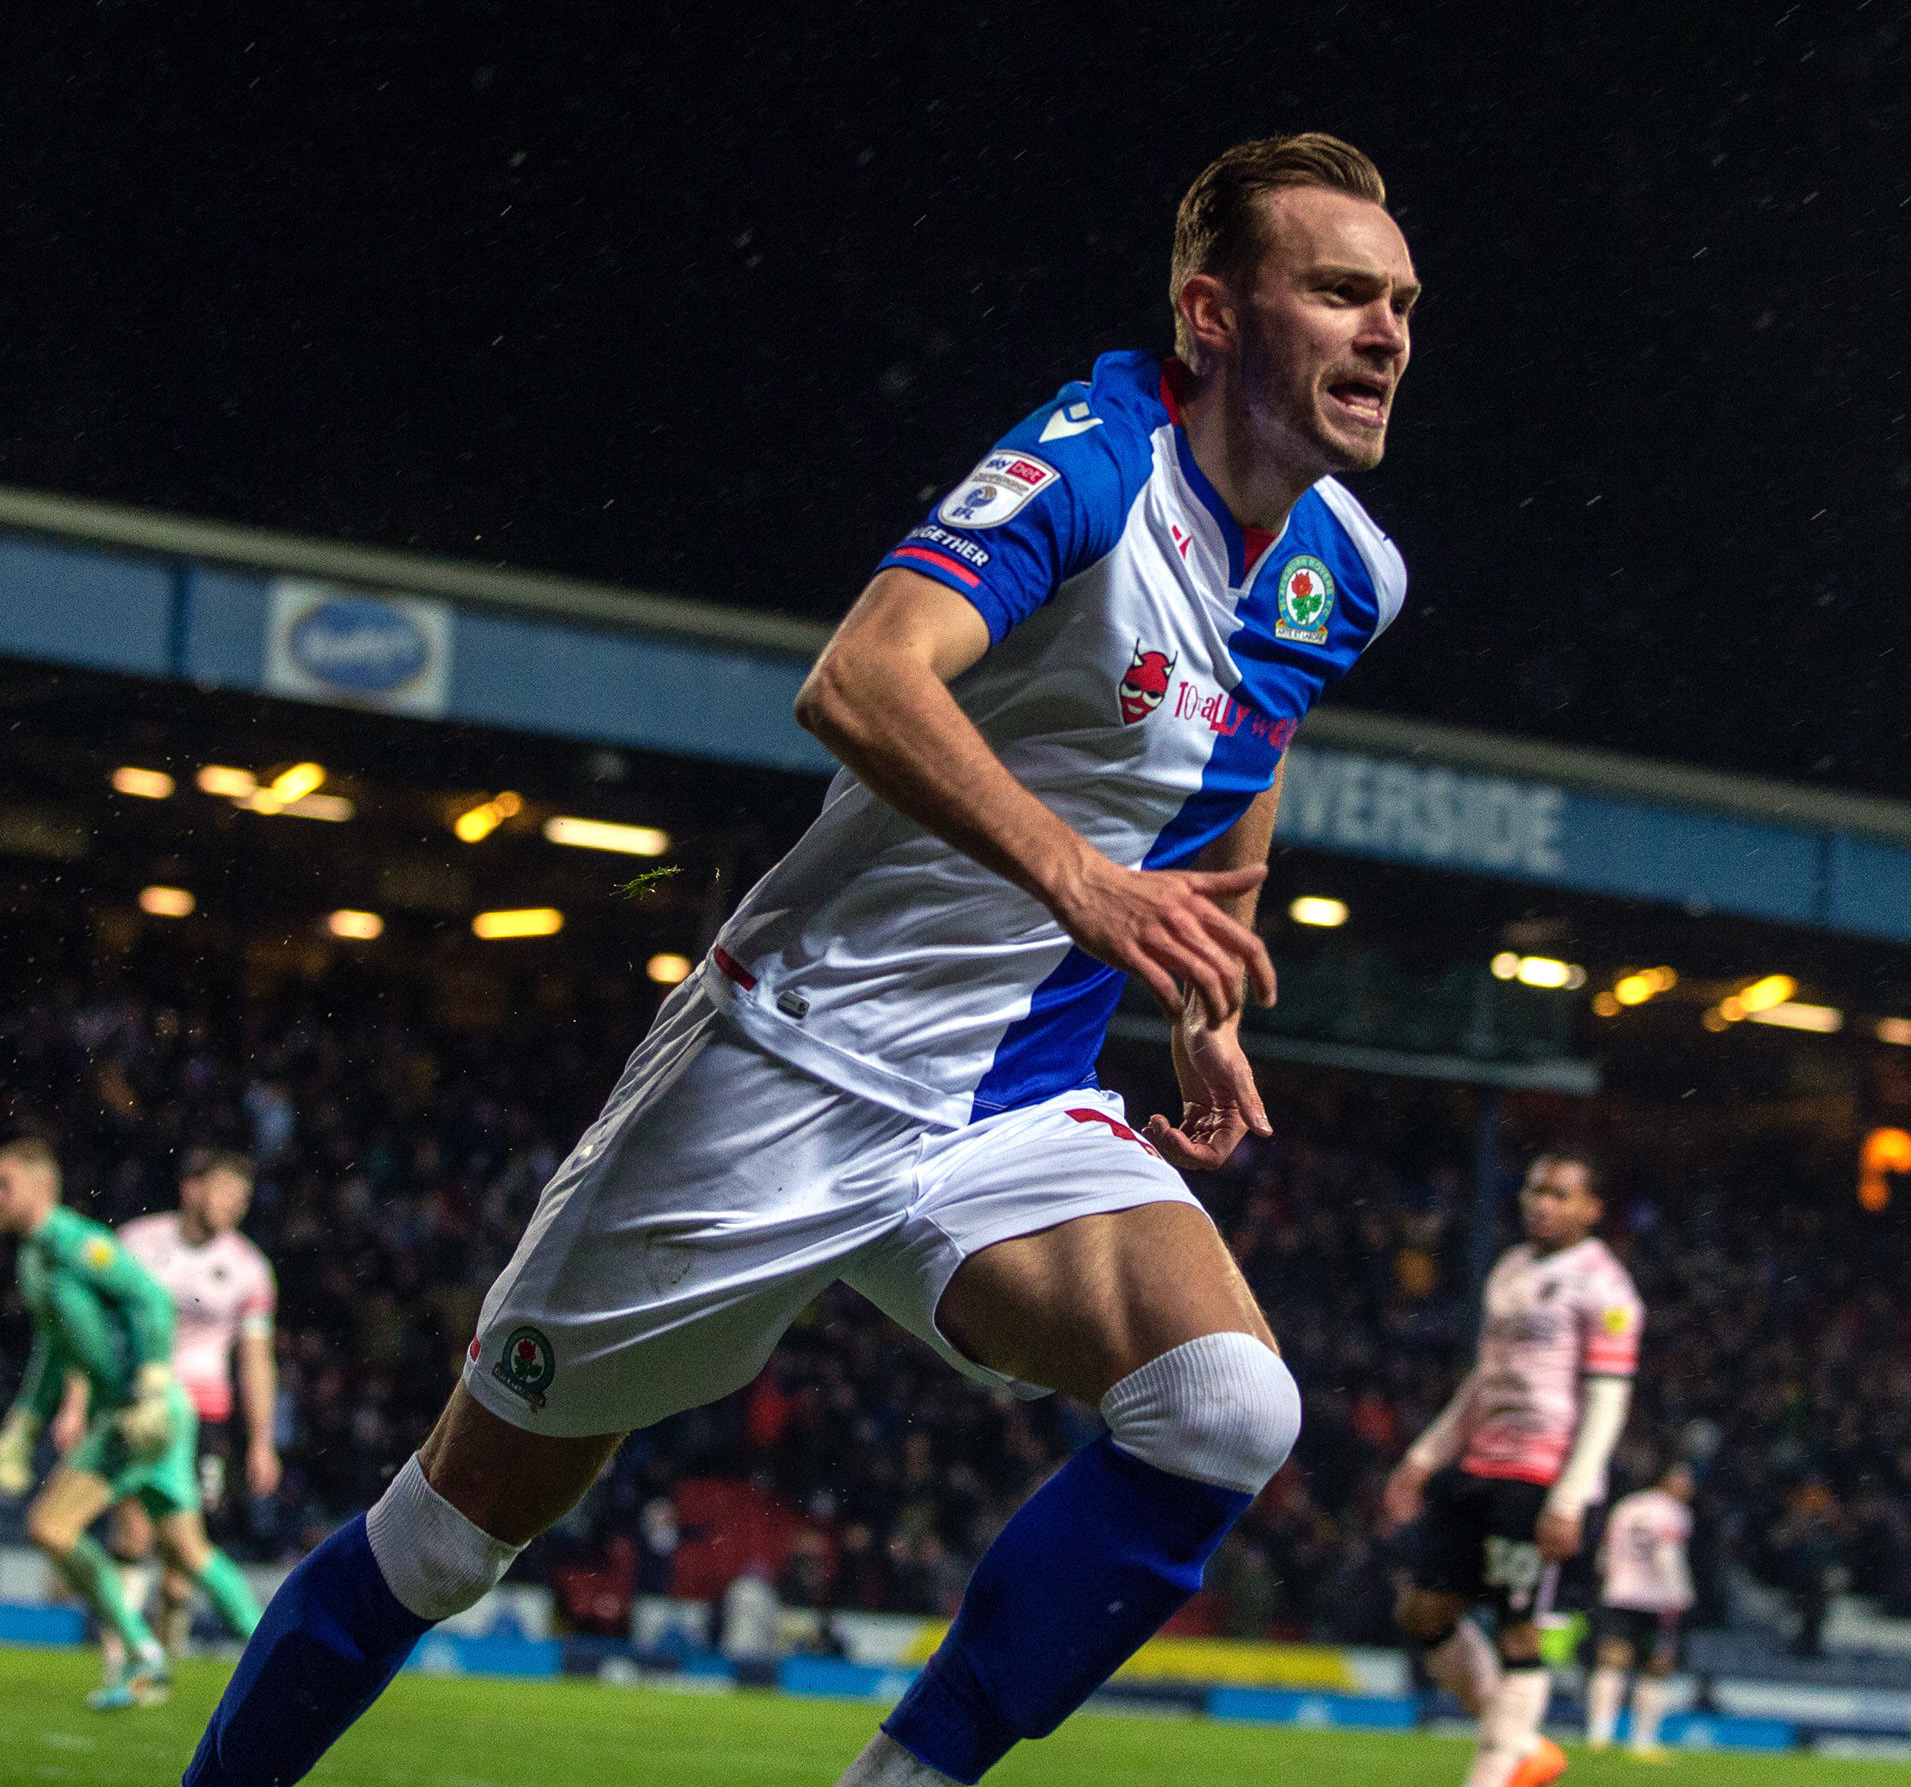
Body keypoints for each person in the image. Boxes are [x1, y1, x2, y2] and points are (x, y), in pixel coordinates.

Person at [187, 129, 1417, 1787]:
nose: (1385, 329)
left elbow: (1257, 716)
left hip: (1006, 1104)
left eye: (1400, 300)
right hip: (784, 1066)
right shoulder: (1090, 466)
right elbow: (859, 676)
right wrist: (1083, 882)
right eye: (1338, 290)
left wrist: (1212, 959)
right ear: (1210, 312)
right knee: (443, 1538)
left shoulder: (1347, 566)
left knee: (1224, 1408)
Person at [1383, 1150, 1642, 1787]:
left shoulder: (1606, 1288)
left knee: (1518, 1628)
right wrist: (1425, 1455)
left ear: (1591, 1208)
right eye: (1534, 1191)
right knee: (1423, 1613)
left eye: (1560, 1195)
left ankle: (1492, 1774)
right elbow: (1485, 1379)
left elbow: (1608, 1400)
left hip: (1538, 1481)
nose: (1541, 1204)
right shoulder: (1511, 1268)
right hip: (1478, 1470)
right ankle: (1520, 1743)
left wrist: (1570, 1498)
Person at [0, 1139, 263, 1711]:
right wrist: (23, 1424)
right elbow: (55, 1350)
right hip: (150, 1413)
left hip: (143, 1412)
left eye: (0, 1185)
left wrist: (155, 1376)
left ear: (39, 1190)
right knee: (190, 1551)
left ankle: (142, 1653)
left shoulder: (75, 1244)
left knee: (51, 1528)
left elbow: (151, 1303)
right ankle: (280, 1656)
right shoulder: (33, 1257)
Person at [60, 1150, 279, 1669]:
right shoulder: (137, 1243)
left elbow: (256, 1360)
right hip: (141, 1403)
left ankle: (168, 1644)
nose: (234, 1205)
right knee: (133, 1523)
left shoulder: (249, 1269)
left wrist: (263, 1440)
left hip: (205, 1415)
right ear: (191, 1188)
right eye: (224, 1191)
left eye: (241, 1198)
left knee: (184, 1546)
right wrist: (74, 1405)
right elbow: (86, 1325)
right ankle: (123, 1653)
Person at [1585, 1461, 1695, 1759]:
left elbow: (1604, 1551)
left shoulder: (1627, 1506)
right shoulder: (1674, 1513)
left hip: (1618, 1593)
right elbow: (1668, 1554)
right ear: (1666, 1481)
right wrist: (1681, 1595)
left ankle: (1599, 1735)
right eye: (1683, 1479)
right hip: (1656, 1600)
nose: (1689, 1486)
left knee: (1611, 1663)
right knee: (1656, 1667)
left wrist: (1607, 1579)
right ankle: (1643, 1741)